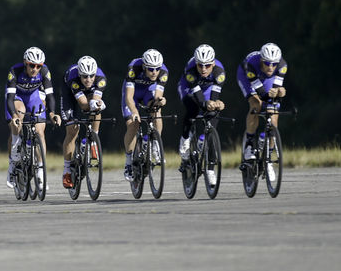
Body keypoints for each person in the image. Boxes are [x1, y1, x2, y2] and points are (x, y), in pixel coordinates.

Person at [6, 46, 62, 188]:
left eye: (38, 66)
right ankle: (13, 163)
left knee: (40, 131)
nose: (35, 69)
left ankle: (41, 171)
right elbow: (10, 98)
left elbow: (50, 96)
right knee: (19, 118)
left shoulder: (44, 72)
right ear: (26, 63)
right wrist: (14, 115)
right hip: (17, 98)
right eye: (32, 65)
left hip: (33, 97)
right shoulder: (15, 71)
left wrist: (52, 113)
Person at [236, 42, 288, 178]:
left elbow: (276, 91)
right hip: (248, 77)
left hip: (266, 80)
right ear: (261, 60)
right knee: (256, 105)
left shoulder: (282, 66)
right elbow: (262, 93)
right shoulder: (251, 65)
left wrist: (280, 92)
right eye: (267, 63)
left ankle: (268, 158)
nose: (271, 67)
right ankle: (249, 143)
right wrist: (270, 95)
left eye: (274, 64)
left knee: (273, 111)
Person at [177, 44, 226, 186]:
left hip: (207, 88)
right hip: (188, 88)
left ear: (213, 63)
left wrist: (217, 104)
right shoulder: (191, 69)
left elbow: (215, 95)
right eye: (200, 65)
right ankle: (185, 139)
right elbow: (198, 96)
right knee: (193, 108)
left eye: (207, 65)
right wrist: (205, 104)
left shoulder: (220, 72)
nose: (204, 69)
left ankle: (210, 169)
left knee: (212, 113)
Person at [60, 55, 107, 188]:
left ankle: (93, 140)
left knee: (96, 109)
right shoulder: (73, 78)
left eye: (91, 76)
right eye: (85, 76)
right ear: (80, 74)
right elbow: (84, 105)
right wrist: (93, 104)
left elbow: (95, 100)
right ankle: (67, 170)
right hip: (69, 93)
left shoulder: (101, 79)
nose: (88, 80)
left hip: (89, 93)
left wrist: (98, 104)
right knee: (72, 130)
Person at [121, 48, 168, 181]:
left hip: (148, 91)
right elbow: (129, 97)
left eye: (156, 69)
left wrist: (161, 101)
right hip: (133, 94)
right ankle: (129, 161)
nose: (154, 72)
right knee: (133, 124)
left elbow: (157, 97)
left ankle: (155, 145)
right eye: (150, 69)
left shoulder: (163, 72)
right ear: (144, 66)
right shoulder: (133, 68)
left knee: (156, 111)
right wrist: (135, 112)